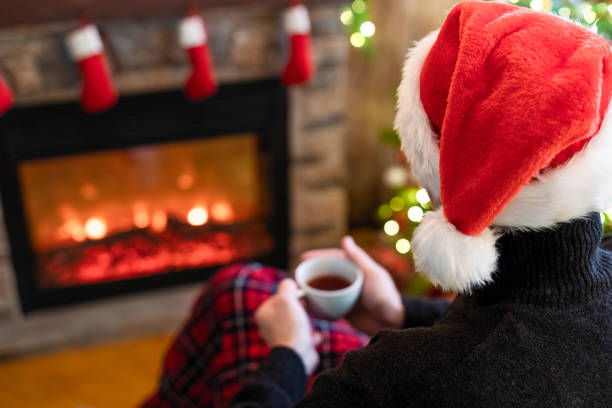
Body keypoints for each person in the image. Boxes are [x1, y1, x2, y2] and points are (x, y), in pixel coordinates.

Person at [144, 2, 612, 407]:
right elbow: (531, 326)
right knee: (242, 289)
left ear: (439, 167)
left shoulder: (396, 378)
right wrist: (401, 313)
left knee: (238, 293)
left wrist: (287, 357)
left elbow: (493, 346)